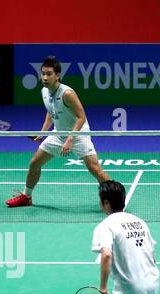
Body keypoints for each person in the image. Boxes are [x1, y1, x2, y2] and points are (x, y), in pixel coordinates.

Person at [6, 56, 109, 209]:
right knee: (35, 163)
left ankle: (116, 199)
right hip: (58, 134)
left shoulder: (67, 93)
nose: (45, 77)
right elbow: (51, 112)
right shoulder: (44, 91)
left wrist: (70, 139)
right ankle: (26, 197)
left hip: (79, 135)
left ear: (58, 75)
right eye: (43, 74)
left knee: (95, 170)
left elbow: (81, 117)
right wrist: (42, 132)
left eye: (49, 74)